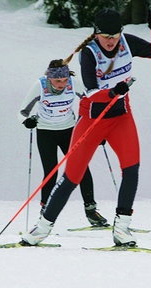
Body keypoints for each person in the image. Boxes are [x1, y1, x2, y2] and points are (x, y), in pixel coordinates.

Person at [21, 8, 151, 246]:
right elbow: (90, 92)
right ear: (96, 33)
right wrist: (113, 91)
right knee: (72, 177)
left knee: (131, 169)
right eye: (106, 36)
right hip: (92, 121)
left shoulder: (126, 43)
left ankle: (122, 228)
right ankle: (41, 229)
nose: (111, 41)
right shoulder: (89, 52)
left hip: (121, 117)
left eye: (115, 36)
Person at [19, 60, 108, 226]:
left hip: (69, 130)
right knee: (51, 171)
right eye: (57, 81)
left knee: (81, 168)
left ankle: (91, 211)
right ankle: (45, 212)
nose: (62, 84)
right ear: (49, 78)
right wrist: (27, 121)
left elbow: (94, 101)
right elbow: (22, 112)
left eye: (65, 80)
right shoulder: (40, 85)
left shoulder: (73, 83)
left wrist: (98, 130)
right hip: (46, 132)